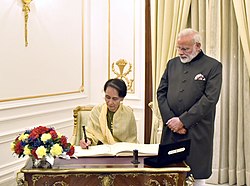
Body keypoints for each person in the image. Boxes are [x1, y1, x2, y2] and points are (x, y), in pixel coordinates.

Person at [157, 28, 222, 184]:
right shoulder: (171, 64)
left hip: (197, 131)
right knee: (169, 174)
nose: (180, 52)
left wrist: (183, 121)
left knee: (197, 176)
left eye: (185, 48)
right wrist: (171, 120)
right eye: (178, 48)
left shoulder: (213, 66)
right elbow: (161, 93)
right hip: (171, 129)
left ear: (197, 46)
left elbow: (210, 99)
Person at [80, 78, 138, 149]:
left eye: (115, 99)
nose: (110, 102)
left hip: (122, 153)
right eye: (107, 97)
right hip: (100, 152)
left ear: (122, 98)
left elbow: (132, 141)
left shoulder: (128, 113)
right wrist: (87, 141)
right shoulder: (97, 111)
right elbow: (91, 134)